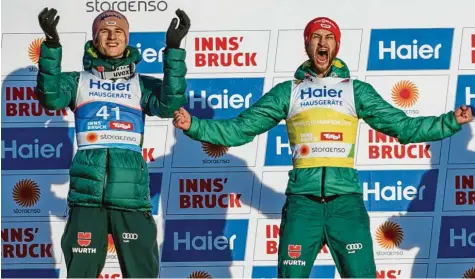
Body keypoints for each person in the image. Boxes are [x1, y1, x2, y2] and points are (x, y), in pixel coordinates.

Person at [173, 17, 473, 278]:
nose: (322, 42)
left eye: (329, 37)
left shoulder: (355, 90)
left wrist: (451, 121)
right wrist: (195, 126)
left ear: (336, 46)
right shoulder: (288, 92)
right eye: (316, 36)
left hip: (346, 204)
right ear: (307, 44)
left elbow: (404, 128)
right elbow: (240, 129)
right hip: (304, 205)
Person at [35, 7, 190, 278]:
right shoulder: (77, 81)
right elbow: (51, 97)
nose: (112, 37)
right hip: (87, 197)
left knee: (142, 273)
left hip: (131, 197)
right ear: (95, 38)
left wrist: (174, 49)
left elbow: (169, 103)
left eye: (119, 31)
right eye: (104, 31)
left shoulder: (142, 84)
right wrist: (51, 45)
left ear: (127, 38)